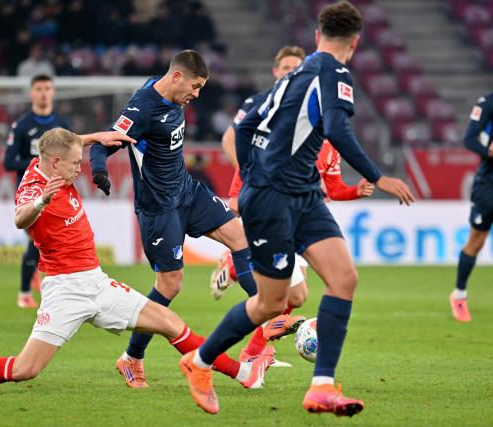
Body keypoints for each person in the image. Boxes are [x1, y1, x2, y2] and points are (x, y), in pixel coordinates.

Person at [179, 1, 415, 416]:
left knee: (343, 278)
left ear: (316, 36)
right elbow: (340, 129)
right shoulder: (333, 72)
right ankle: (198, 363)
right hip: (273, 199)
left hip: (303, 194)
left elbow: (243, 127)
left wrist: (253, 171)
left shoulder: (294, 78)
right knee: (271, 303)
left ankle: (321, 387)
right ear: (355, 43)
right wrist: (378, 177)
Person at [0, 128, 274, 394]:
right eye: (73, 164)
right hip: (65, 290)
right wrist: (41, 203)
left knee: (169, 321)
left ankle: (243, 373)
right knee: (25, 369)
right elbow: (20, 217)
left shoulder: (54, 159)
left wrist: (97, 137)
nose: (79, 168)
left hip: (96, 282)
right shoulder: (35, 187)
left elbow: (70, 143)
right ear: (54, 163)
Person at [90, 50, 277, 388]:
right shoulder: (143, 108)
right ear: (177, 77)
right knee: (170, 285)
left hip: (189, 192)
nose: (196, 94)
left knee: (240, 238)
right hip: (159, 209)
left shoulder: (171, 93)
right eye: (195, 86)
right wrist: (99, 168)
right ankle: (131, 357)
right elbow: (103, 143)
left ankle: (267, 312)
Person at [211, 47, 374, 365]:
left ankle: (247, 349)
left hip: (303, 215)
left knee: (291, 296)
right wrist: (239, 194)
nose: (290, 72)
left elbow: (334, 188)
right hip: (273, 211)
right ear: (276, 72)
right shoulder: (274, 118)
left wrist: (356, 191)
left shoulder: (326, 142)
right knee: (285, 296)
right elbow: (246, 150)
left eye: (295, 67)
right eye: (284, 66)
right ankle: (223, 353)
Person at [3, 74, 70, 308]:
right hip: (31, 192)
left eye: (47, 88)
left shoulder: (62, 125)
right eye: (39, 88)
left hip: (56, 192)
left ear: (53, 93)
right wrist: (38, 163)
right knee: (35, 242)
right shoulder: (22, 125)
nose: (43, 93)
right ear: (32, 93)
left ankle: (44, 283)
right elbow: (9, 162)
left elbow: (70, 158)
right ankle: (24, 294)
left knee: (53, 242)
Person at [449, 91, 493, 322]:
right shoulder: (487, 103)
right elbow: (469, 139)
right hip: (489, 184)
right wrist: (488, 151)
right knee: (477, 240)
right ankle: (459, 294)